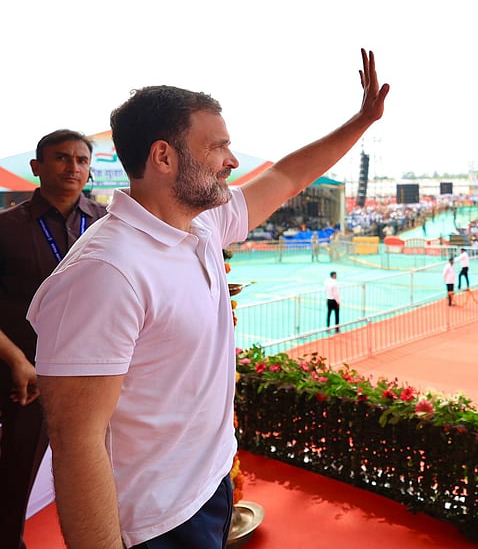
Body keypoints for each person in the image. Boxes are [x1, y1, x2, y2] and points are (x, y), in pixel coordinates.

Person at [28, 49, 388, 549]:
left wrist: (362, 121)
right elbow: (75, 440)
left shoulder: (201, 223)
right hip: (153, 521)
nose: (232, 161)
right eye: (217, 147)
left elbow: (285, 177)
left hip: (209, 486)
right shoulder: (105, 273)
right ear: (163, 156)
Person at [0, 130, 108, 549]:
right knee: (15, 477)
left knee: (105, 471)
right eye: (62, 158)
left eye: (82, 160)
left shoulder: (105, 224)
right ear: (36, 167)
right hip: (27, 378)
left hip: (98, 375)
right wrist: (16, 361)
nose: (73, 168)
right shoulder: (7, 229)